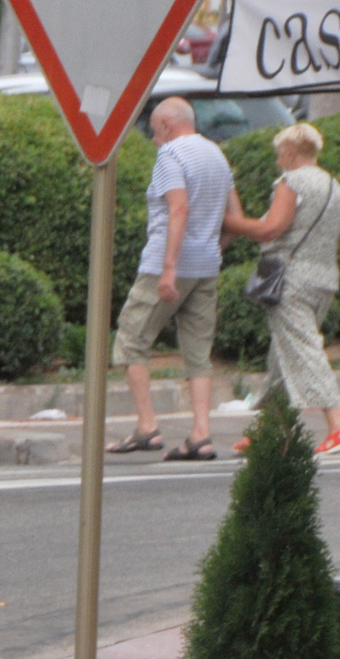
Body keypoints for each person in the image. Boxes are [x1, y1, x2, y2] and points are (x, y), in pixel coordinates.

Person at [108, 98, 236, 461]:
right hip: (206, 266)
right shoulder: (217, 155)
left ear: (166, 124)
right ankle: (201, 434)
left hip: (167, 264)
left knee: (131, 341)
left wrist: (168, 268)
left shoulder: (171, 156)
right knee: (198, 353)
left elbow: (178, 208)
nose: (153, 139)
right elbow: (233, 216)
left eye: (153, 130)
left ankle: (147, 427)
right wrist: (211, 247)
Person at [223, 122, 340, 450]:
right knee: (282, 355)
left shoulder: (291, 181)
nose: (278, 162)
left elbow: (270, 229)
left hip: (291, 280)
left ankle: (336, 425)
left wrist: (229, 222)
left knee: (304, 348)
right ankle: (270, 430)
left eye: (279, 155)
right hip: (324, 279)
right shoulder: (333, 186)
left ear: (289, 153)